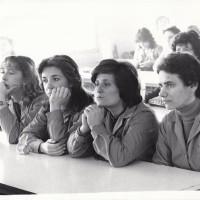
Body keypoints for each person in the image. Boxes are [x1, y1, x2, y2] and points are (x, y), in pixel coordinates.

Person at [67, 59, 159, 167]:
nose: (98, 90)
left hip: (141, 178)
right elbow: (74, 151)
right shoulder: (97, 110)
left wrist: (97, 127)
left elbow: (119, 158)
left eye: (106, 84)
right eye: (96, 84)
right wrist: (83, 130)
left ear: (124, 88)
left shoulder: (144, 117)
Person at [17, 55, 93, 156]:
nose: (48, 86)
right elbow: (24, 135)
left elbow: (61, 146)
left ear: (71, 82)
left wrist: (55, 107)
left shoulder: (87, 108)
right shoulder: (47, 106)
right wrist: (41, 146)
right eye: (44, 80)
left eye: (56, 79)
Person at [153, 52, 200, 171]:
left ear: (193, 85)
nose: (161, 93)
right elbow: (161, 167)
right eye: (161, 85)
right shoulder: (167, 122)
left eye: (169, 85)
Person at [0, 56, 47, 144]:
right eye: (2, 72)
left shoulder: (41, 102)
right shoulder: (10, 101)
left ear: (26, 78)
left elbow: (15, 137)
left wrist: (1, 102)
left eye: (11, 73)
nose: (3, 77)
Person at [145, 26, 180, 104]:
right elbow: (156, 66)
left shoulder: (181, 52)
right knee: (147, 98)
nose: (168, 41)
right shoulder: (167, 50)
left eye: (170, 37)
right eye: (166, 38)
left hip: (176, 86)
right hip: (166, 82)